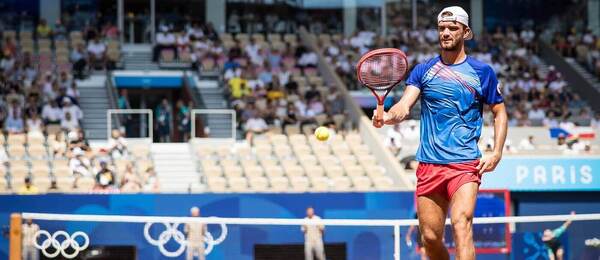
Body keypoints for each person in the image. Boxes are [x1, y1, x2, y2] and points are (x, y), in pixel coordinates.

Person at [372, 6, 508, 260]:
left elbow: (500, 112)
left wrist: (497, 152)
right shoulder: (423, 70)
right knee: (431, 238)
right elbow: (403, 106)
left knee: (461, 224)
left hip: (465, 164)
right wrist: (388, 117)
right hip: (429, 164)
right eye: (442, 28)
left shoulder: (482, 72)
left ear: (466, 32)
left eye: (452, 28)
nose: (445, 33)